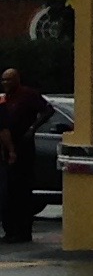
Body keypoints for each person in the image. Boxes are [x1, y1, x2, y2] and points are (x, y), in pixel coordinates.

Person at [0, 68, 57, 244]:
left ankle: (23, 232)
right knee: (8, 191)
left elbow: (48, 110)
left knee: (22, 190)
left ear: (17, 79)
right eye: (3, 80)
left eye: (9, 80)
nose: (5, 83)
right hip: (8, 147)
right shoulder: (5, 99)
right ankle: (11, 231)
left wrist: (33, 128)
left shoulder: (28, 95)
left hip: (24, 147)